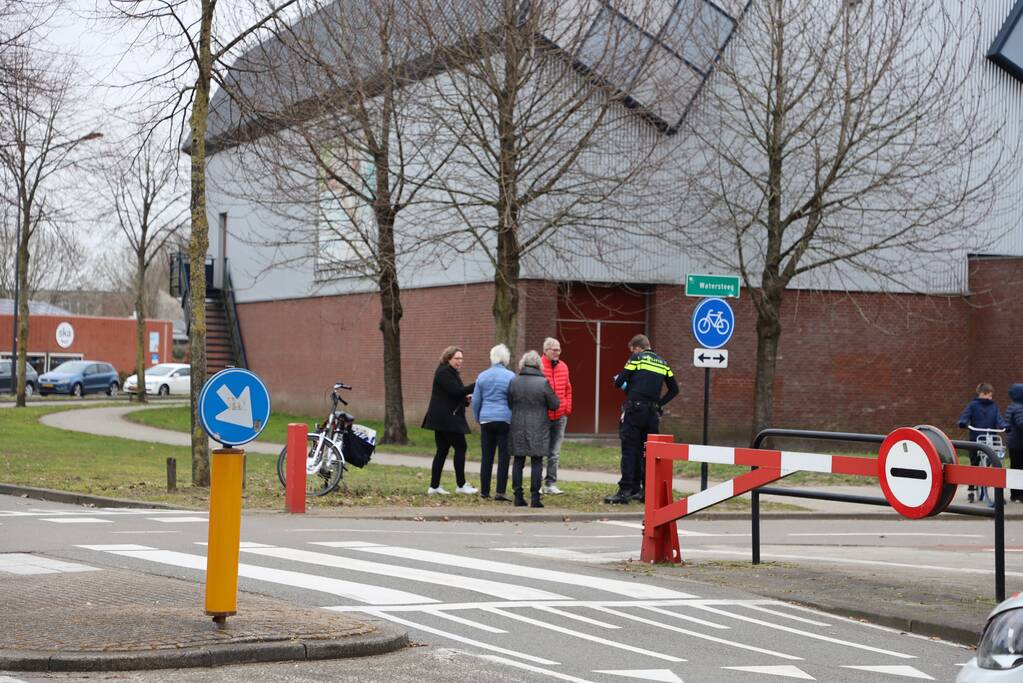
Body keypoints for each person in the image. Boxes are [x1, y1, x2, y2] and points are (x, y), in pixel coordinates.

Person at [606, 334, 678, 505]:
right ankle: (646, 492)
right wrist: (659, 404)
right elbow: (674, 390)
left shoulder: (636, 359)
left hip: (634, 411)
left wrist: (627, 386)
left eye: (633, 350)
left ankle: (625, 491)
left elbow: (619, 382)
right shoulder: (663, 363)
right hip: (652, 415)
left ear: (638, 348)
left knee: (630, 450)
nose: (633, 353)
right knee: (648, 453)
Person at [507, 350, 560, 508]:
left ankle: (518, 496)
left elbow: (510, 402)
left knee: (518, 461)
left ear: (523, 364)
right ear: (538, 365)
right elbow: (554, 404)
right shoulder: (543, 383)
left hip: (517, 426)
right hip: (539, 427)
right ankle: (535, 498)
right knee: (537, 461)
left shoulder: (514, 381)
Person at [422, 346, 477, 496]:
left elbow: (452, 395)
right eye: (457, 358)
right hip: (446, 419)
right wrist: (476, 384)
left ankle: (434, 486)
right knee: (461, 447)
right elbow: (456, 392)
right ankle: (461, 485)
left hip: (443, 419)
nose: (460, 361)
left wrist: (465, 399)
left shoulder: (449, 372)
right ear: (448, 358)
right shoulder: (444, 372)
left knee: (442, 451)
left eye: (461, 358)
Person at [472, 344, 516, 501]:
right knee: (504, 456)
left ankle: (484, 491)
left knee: (487, 456)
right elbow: (513, 399)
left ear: (492, 358)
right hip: (505, 419)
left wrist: (478, 417)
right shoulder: (511, 376)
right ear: (505, 359)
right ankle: (500, 492)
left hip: (486, 419)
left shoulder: (482, 376)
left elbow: (476, 400)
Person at [958, 382, 1007, 500]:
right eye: (989, 395)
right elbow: (965, 416)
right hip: (976, 438)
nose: (990, 398)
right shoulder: (973, 405)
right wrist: (963, 422)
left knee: (994, 462)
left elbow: (998, 419)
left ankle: (995, 489)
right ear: (982, 394)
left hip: (990, 438)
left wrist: (1004, 426)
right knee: (974, 464)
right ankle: (971, 490)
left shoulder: (994, 406)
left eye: (991, 395)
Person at [540, 337, 572, 495]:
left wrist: (567, 408)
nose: (557, 352)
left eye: (559, 349)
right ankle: (537, 484)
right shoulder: (538, 366)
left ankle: (551, 483)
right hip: (543, 416)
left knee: (554, 453)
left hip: (560, 415)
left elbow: (568, 388)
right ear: (545, 350)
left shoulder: (563, 366)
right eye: (554, 349)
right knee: (540, 451)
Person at [1005, 384, 1023, 502]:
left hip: (1013, 443)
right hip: (1020, 444)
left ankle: (1014, 494)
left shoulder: (1012, 406)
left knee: (1015, 467)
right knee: (1020, 468)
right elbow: (1021, 423)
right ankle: (1020, 495)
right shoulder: (1019, 408)